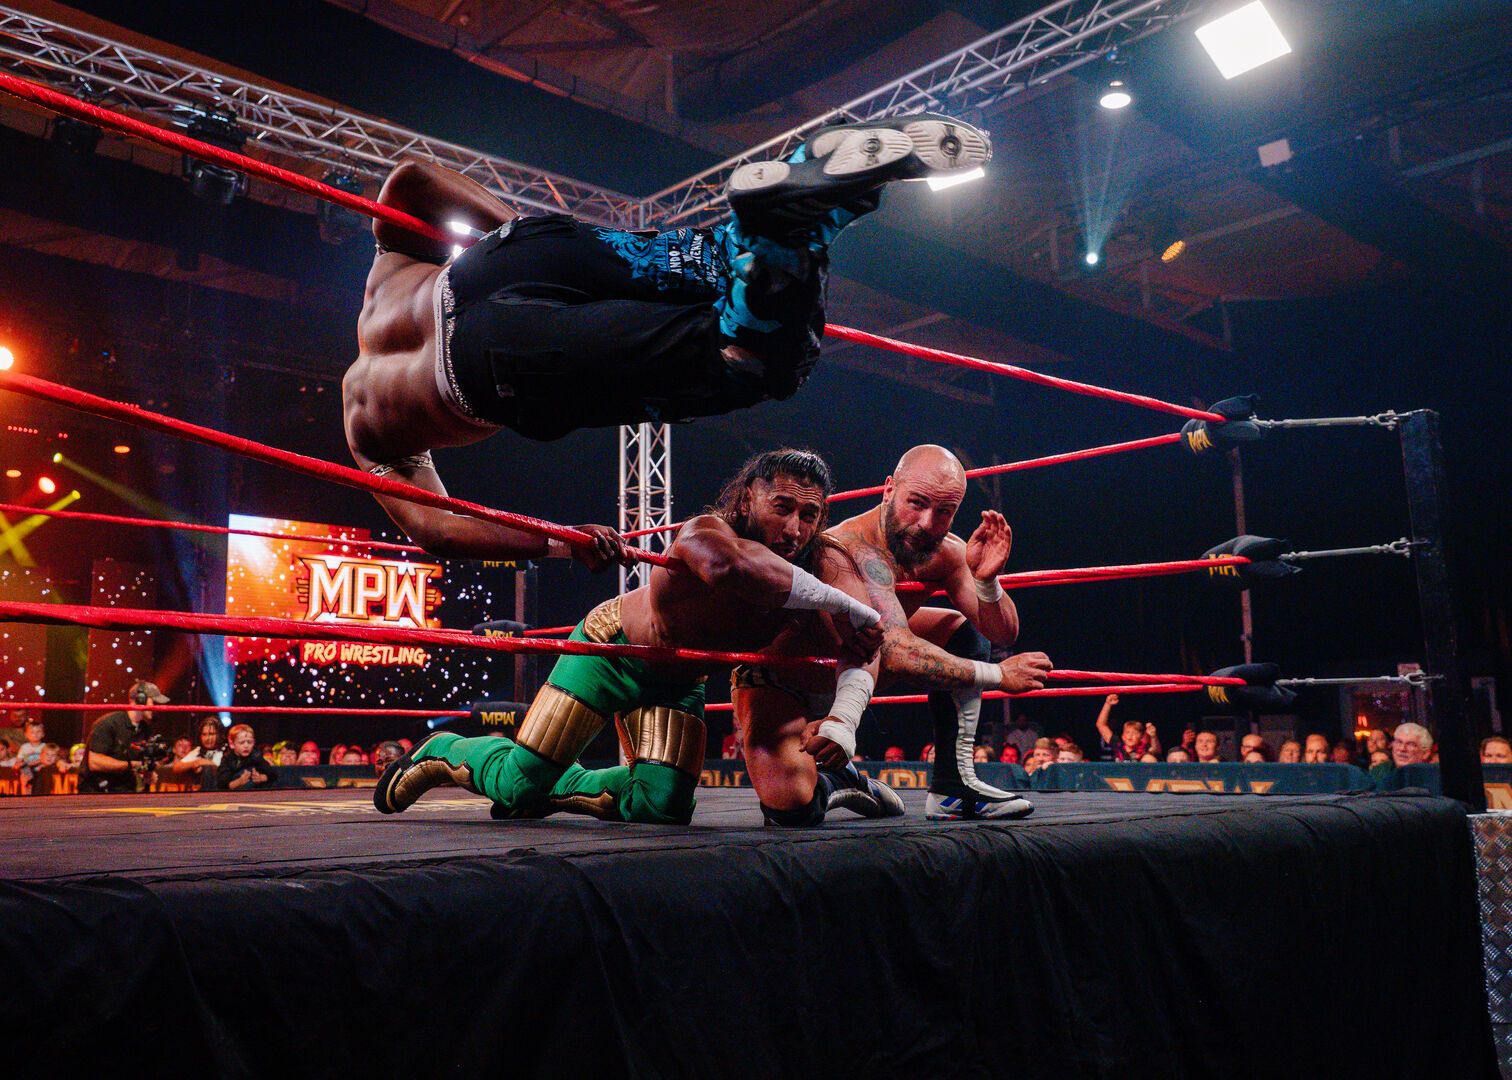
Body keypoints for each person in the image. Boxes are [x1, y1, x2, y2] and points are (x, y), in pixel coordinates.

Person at [343, 115, 990, 565]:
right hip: (495, 262)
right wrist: (516, 230)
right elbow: (409, 179)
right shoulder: (383, 279)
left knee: (749, 361)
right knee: (717, 258)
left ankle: (795, 236)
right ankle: (796, 212)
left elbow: (438, 530)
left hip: (486, 364)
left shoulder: (367, 426)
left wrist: (555, 542)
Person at [377, 448, 894, 827]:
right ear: (746, 499)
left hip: (678, 684)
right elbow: (729, 568)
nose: (795, 528)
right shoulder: (705, 531)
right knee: (514, 789)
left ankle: (549, 786)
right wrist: (842, 603)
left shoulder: (818, 571)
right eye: (782, 507)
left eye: (809, 515)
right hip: (612, 650)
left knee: (661, 809)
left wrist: (846, 717)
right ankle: (444, 748)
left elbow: (866, 642)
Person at [827, 444, 1051, 820]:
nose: (928, 523)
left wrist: (987, 582)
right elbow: (896, 648)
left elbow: (1003, 633)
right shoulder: (856, 547)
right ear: (888, 490)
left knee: (959, 630)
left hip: (870, 656)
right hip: (808, 672)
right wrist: (999, 675)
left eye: (945, 511)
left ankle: (952, 785)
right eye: (917, 503)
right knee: (793, 805)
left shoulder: (944, 550)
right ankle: (844, 779)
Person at [79, 680, 170, 794]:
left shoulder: (145, 729)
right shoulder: (108, 723)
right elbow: (95, 762)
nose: (157, 707)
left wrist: (147, 773)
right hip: (97, 792)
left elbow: (141, 763)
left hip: (125, 791)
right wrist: (132, 765)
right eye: (154, 702)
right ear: (140, 699)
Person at [216, 724, 279, 791]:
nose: (246, 746)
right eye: (241, 743)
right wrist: (239, 782)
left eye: (249, 742)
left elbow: (273, 775)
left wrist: (261, 778)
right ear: (232, 744)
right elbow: (221, 785)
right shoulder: (227, 758)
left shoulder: (256, 756)